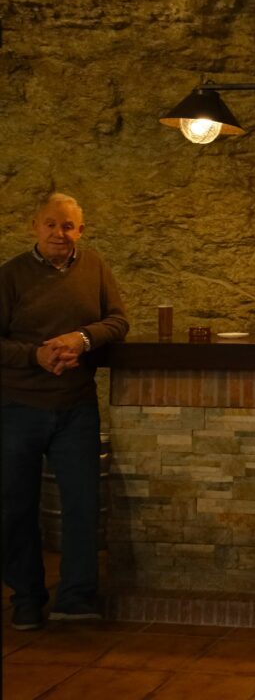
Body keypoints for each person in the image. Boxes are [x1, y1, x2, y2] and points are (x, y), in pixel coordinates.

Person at [1, 193, 129, 630]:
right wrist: (35, 356)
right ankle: (26, 598)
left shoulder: (94, 268)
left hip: (76, 406)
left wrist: (82, 339)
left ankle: (75, 597)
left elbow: (117, 320)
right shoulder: (10, 276)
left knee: (82, 505)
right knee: (16, 507)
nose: (61, 233)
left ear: (82, 229)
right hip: (17, 407)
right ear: (35, 226)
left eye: (69, 226)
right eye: (52, 225)